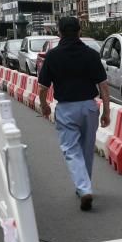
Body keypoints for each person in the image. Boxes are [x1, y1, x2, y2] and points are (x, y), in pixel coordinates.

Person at [37, 17, 110, 211]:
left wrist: (44, 105)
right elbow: (103, 86)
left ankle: (84, 188)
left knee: (71, 149)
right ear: (79, 31)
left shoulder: (52, 56)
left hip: (67, 108)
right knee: (86, 149)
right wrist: (106, 112)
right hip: (89, 107)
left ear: (59, 32)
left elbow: (43, 87)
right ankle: (83, 187)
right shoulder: (91, 54)